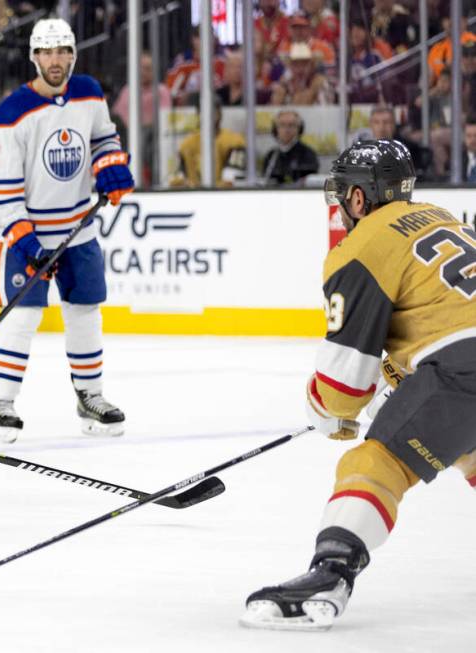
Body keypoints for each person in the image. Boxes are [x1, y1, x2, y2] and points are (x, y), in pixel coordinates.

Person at [241, 139, 476, 630]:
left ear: (358, 198)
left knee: (375, 462)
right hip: (458, 361)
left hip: (463, 366)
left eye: (344, 193)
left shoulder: (363, 245)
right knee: (468, 447)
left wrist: (326, 408)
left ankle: (331, 572)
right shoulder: (442, 217)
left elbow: (344, 385)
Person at [0, 18, 133, 443]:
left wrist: (110, 167)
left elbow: (104, 138)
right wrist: (26, 240)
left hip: (78, 230)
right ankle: (0, 403)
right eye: (46, 52)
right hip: (28, 235)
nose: (55, 60)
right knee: (22, 318)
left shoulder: (89, 92)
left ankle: (91, 397)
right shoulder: (12, 113)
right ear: (34, 57)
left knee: (85, 314)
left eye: (62, 51)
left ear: (72, 55)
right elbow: (1, 187)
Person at [171, 101, 246, 188]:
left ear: (220, 114)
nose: (208, 116)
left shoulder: (235, 141)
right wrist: (187, 185)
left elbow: (232, 180)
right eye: (202, 112)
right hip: (193, 197)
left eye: (213, 111)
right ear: (197, 115)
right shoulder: (186, 144)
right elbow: (175, 179)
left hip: (223, 197)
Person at [261, 109, 319, 186]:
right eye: (282, 125)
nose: (286, 130)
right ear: (275, 130)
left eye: (291, 125)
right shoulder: (271, 155)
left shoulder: (308, 154)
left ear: (299, 129)